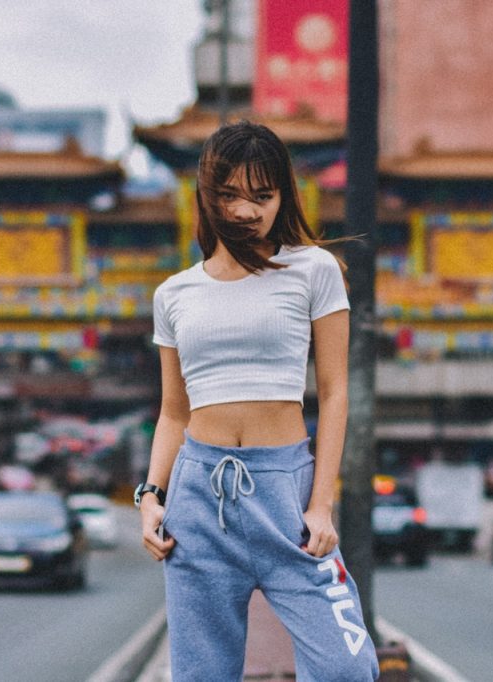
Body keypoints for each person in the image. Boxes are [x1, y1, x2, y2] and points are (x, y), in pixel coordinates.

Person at [138, 121, 379, 681]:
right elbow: (174, 410)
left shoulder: (314, 270)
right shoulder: (173, 294)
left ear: (282, 197)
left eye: (262, 196)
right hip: (198, 499)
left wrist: (321, 504)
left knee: (347, 669)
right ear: (207, 195)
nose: (247, 211)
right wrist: (151, 497)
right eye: (230, 195)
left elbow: (335, 391)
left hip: (286, 495)